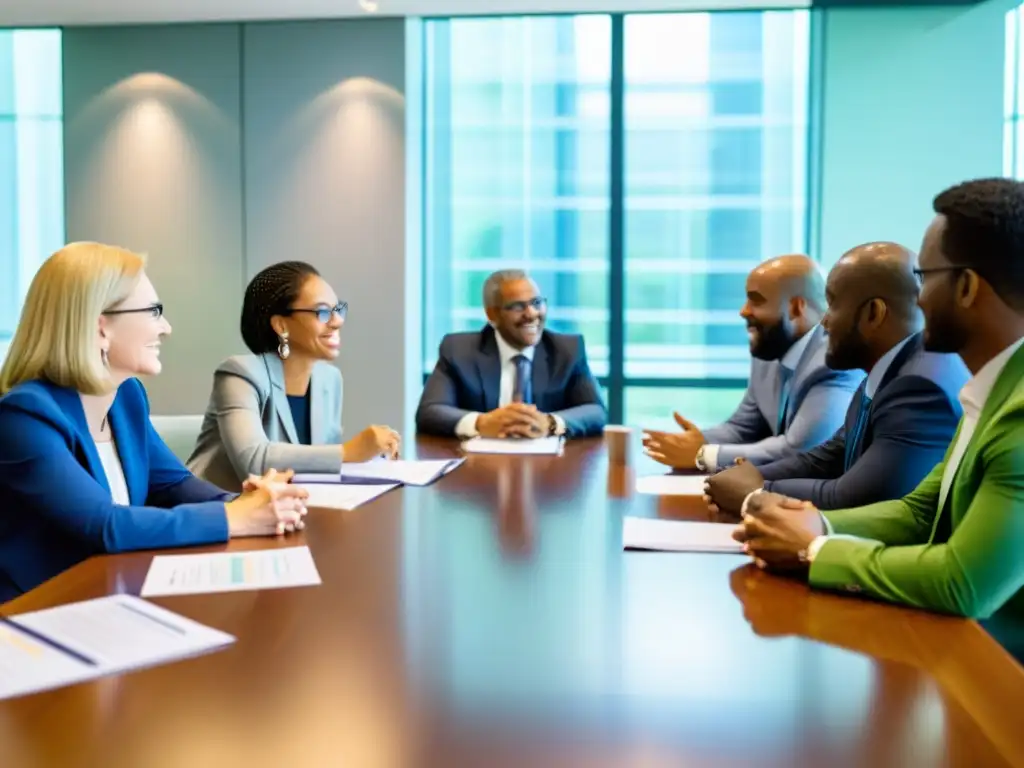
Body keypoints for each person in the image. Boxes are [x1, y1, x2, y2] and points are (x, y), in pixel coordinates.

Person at [735, 178, 1024, 656]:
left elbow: (962, 582)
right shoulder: (990, 391)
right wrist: (817, 526)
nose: (916, 297)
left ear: (968, 286)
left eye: (924, 277)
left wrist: (815, 550)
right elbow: (921, 510)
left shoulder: (1017, 414)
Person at [0, 242, 309, 604]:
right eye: (153, 311)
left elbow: (172, 484)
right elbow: (105, 526)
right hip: (36, 612)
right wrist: (235, 518)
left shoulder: (127, 396)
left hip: (109, 592)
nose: (166, 327)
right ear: (101, 327)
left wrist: (251, 500)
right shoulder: (23, 418)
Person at [704, 242, 968, 515]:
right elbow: (827, 456)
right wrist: (750, 475)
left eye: (831, 305)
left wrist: (756, 491)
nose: (824, 322)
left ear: (873, 314)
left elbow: (855, 497)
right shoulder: (891, 368)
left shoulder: (919, 387)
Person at [188, 261, 401, 492]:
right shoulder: (240, 374)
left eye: (337, 309)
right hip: (215, 511)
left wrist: (370, 455)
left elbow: (319, 464)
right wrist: (349, 452)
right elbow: (253, 462)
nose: (338, 321)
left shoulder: (330, 380)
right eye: (322, 312)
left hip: (285, 511)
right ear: (281, 325)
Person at [643, 254, 863, 470]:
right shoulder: (770, 349)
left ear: (796, 308)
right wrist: (697, 441)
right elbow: (743, 428)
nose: (743, 311)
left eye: (756, 300)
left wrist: (704, 454)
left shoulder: (836, 360)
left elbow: (799, 449)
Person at [415, 269, 606, 439]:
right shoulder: (458, 350)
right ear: (492, 315)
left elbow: (596, 411)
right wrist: (482, 423)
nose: (531, 314)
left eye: (537, 303)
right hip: (480, 468)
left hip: (549, 469)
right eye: (517, 306)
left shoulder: (567, 350)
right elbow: (430, 412)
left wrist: (549, 423)